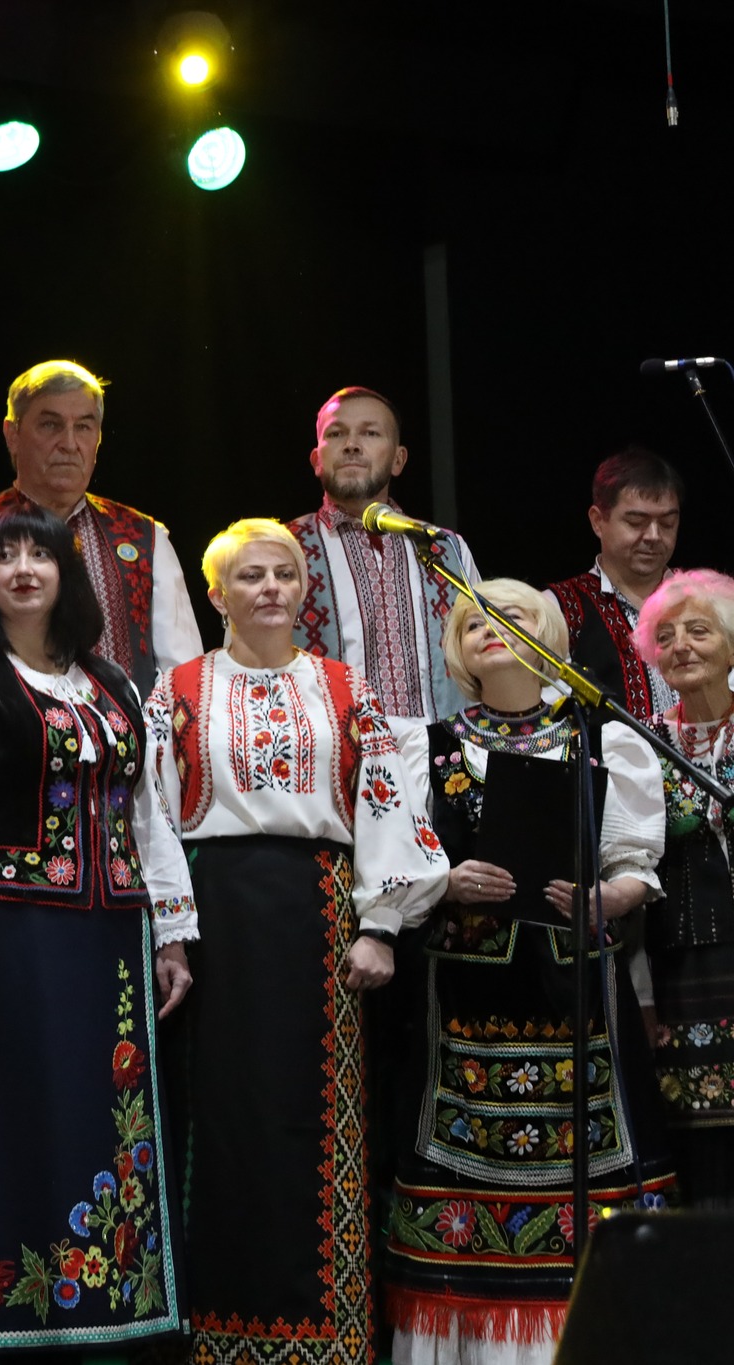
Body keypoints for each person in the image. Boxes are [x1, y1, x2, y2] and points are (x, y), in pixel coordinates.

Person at [144, 517, 446, 1364]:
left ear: (303, 588)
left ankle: (329, 1334)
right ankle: (215, 1335)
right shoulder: (177, 690)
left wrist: (380, 924)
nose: (271, 587)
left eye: (284, 573)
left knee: (315, 1123)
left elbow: (385, 800)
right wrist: (171, 930)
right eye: (250, 575)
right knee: (220, 1117)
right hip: (215, 917)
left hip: (319, 916)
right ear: (216, 594)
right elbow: (152, 816)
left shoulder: (344, 687)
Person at [0, 502, 196, 1355]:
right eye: (6, 557)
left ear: (67, 574)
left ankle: (113, 1313)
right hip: (14, 937)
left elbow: (147, 812)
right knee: (14, 1110)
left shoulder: (108, 681)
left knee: (102, 1116)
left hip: (110, 944)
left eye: (40, 554)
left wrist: (171, 930)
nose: (24, 569)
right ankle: (4, 1319)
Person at [382, 579, 671, 1364]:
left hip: (578, 999)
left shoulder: (602, 736)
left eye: (512, 616)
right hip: (464, 1003)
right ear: (457, 648)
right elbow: (396, 864)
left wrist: (609, 896)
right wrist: (446, 880)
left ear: (548, 632)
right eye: (474, 620)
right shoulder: (426, 745)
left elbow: (634, 862)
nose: (492, 628)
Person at [0, 359, 202, 693]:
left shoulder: (143, 537)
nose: (69, 443)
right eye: (50, 425)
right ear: (12, 435)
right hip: (3, 726)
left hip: (132, 727)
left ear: (98, 438)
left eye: (84, 426)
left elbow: (184, 679)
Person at [288, 386, 479, 746]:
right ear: (316, 459)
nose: (351, 445)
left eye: (370, 433)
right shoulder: (284, 550)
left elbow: (482, 657)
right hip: (330, 760)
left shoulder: (444, 547)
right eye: (336, 434)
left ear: (398, 460)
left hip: (444, 759)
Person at [633, 570, 734, 1205]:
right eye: (665, 637)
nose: (681, 647)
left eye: (699, 631)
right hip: (682, 972)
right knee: (703, 1162)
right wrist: (642, 995)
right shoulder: (641, 744)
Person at [545, 447, 686, 721]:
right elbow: (549, 718)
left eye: (667, 523)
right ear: (598, 521)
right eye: (636, 522)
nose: (653, 535)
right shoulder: (559, 609)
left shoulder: (703, 599)